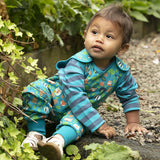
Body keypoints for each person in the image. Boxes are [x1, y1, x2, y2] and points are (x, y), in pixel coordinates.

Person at [21, 4, 148, 160]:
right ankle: (36, 133)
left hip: (79, 111)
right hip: (55, 98)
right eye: (94, 32)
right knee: (35, 90)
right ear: (85, 35)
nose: (99, 39)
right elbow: (75, 96)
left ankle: (56, 142)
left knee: (78, 122)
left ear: (122, 48)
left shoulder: (120, 72)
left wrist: (133, 122)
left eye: (109, 36)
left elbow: (128, 95)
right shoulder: (77, 63)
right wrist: (99, 124)